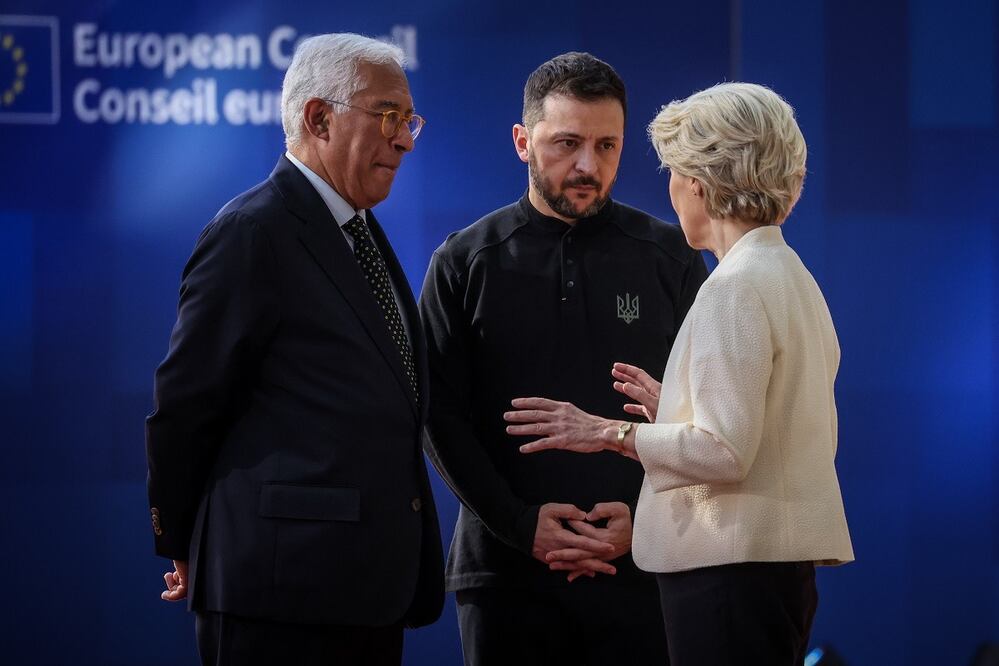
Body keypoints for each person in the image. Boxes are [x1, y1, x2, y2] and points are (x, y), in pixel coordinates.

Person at [506, 82, 855, 665]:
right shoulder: (789, 275)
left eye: (674, 171)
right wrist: (675, 410)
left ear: (698, 181)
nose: (670, 188)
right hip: (770, 573)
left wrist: (608, 433)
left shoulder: (735, 287)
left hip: (729, 572)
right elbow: (763, 426)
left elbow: (722, 452)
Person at [145, 33, 443, 666]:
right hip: (279, 595)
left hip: (361, 592)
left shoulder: (358, 232)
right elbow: (186, 405)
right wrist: (183, 539)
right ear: (318, 118)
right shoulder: (253, 232)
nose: (406, 139)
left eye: (409, 119)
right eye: (388, 115)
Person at [419, 52, 707, 665]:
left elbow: (706, 418)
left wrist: (645, 521)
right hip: (504, 578)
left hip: (642, 569)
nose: (588, 166)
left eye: (608, 146)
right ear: (523, 141)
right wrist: (521, 524)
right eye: (567, 143)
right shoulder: (465, 261)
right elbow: (437, 416)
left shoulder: (672, 258)